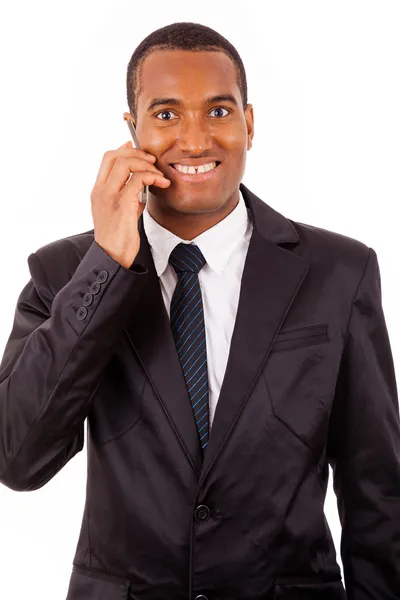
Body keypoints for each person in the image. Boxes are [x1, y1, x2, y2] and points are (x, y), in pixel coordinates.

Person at [0, 20, 399, 600]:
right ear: (131, 130)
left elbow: (379, 494)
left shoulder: (340, 271)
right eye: (165, 115)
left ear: (249, 123)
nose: (193, 140)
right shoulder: (64, 274)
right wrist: (108, 262)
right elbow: (18, 456)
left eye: (218, 111)